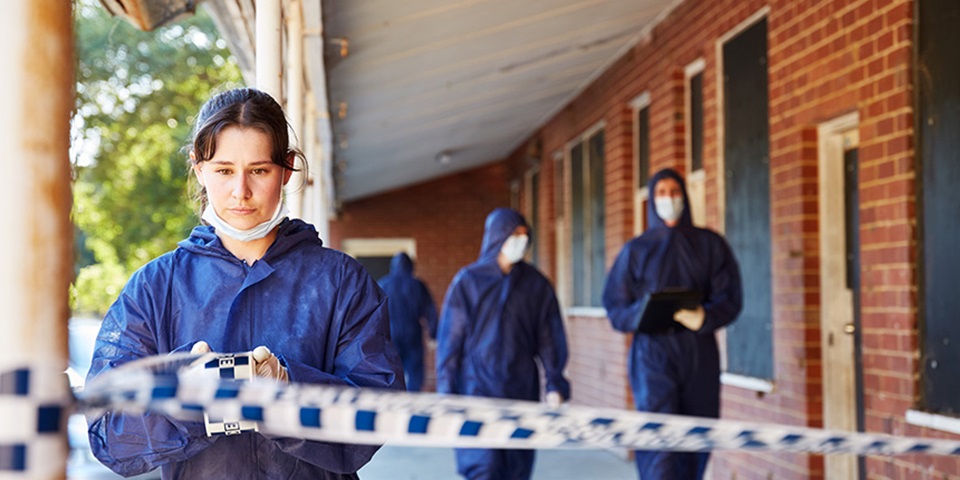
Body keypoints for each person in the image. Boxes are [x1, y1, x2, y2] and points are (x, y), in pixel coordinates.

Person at [85, 87, 404, 480]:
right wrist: (184, 402)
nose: (240, 191)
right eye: (223, 170)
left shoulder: (341, 282)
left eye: (259, 170)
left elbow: (378, 415)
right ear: (198, 167)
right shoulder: (156, 287)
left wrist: (288, 390)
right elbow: (108, 434)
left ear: (286, 169)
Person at [602, 168, 742, 480]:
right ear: (652, 199)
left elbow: (730, 297)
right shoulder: (636, 250)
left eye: (674, 191)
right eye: (662, 192)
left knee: (697, 437)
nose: (669, 198)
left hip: (698, 353)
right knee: (659, 443)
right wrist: (642, 313)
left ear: (685, 196)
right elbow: (615, 307)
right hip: (652, 355)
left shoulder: (710, 245)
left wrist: (705, 317)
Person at [436, 207, 570, 480]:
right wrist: (447, 393)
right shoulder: (469, 282)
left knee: (516, 469)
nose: (521, 240)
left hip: (521, 390)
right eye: (514, 234)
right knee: (483, 467)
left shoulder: (536, 285)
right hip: (477, 390)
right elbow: (451, 342)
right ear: (498, 236)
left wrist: (555, 381)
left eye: (525, 234)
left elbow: (549, 336)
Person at [377, 252, 438, 392]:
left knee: (392, 370)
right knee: (415, 371)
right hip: (413, 333)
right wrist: (434, 334)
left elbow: (375, 313)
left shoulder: (383, 285)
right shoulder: (417, 285)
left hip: (390, 333)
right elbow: (430, 310)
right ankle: (413, 400)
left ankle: (395, 401)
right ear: (411, 266)